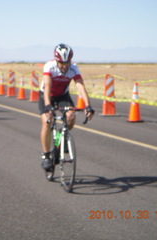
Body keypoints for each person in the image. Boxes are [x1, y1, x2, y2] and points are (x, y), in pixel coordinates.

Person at [39, 43, 95, 171]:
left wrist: (88, 105)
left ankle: (61, 139)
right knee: (47, 122)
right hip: (46, 95)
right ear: (57, 61)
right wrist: (48, 106)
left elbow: (80, 85)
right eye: (61, 64)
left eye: (67, 63)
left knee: (70, 116)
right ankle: (46, 156)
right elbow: (47, 86)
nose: (64, 67)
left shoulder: (74, 68)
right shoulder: (50, 66)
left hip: (62, 95)